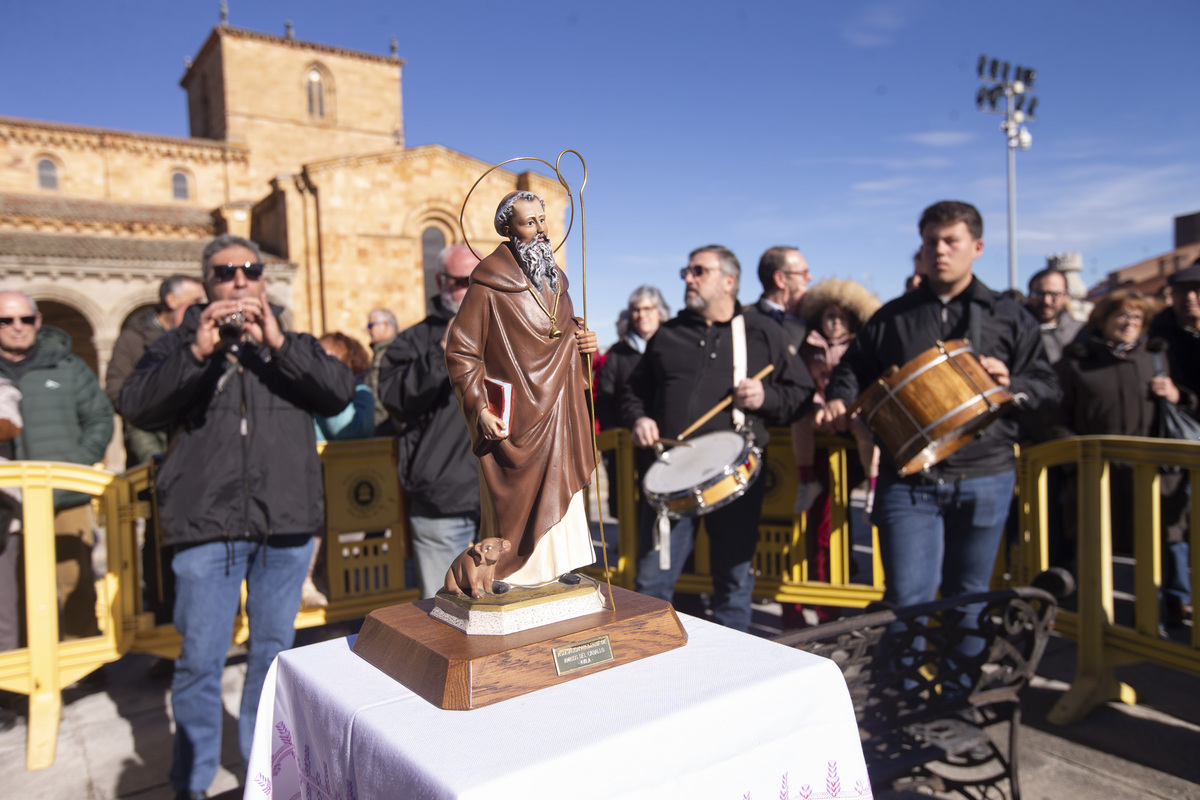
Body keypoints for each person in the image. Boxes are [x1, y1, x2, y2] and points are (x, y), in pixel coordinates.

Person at [120, 234, 354, 800]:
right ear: (207, 284)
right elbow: (134, 403)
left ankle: (262, 777)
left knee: (271, 658)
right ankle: (192, 782)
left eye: (251, 270)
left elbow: (339, 392)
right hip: (206, 527)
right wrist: (196, 353)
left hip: (286, 524)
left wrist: (276, 342)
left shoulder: (290, 342)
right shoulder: (176, 343)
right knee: (199, 663)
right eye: (226, 273)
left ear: (264, 280)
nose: (240, 280)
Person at [820, 201, 1059, 610]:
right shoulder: (891, 317)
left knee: (968, 598)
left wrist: (1012, 384)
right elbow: (852, 369)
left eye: (951, 241)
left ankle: (961, 677)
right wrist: (840, 397)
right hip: (908, 477)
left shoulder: (1010, 316)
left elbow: (1048, 387)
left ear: (977, 247)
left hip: (986, 475)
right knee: (906, 599)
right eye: (931, 242)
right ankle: (906, 677)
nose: (940, 250)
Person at [623, 244, 814, 631]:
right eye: (687, 272)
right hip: (670, 478)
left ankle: (731, 674)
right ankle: (650, 672)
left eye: (698, 271)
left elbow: (801, 393)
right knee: (652, 585)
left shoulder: (763, 332)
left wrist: (766, 397)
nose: (688, 279)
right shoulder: (669, 334)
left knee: (734, 582)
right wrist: (639, 419)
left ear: (729, 282)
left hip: (735, 478)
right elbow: (633, 392)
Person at [442, 192, 597, 595]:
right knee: (514, 497)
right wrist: (479, 407)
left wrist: (583, 345)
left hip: (560, 407)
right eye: (530, 222)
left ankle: (559, 564)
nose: (542, 229)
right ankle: (511, 571)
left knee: (563, 478)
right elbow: (462, 351)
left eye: (543, 220)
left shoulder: (557, 281)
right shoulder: (488, 284)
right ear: (508, 231)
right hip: (519, 414)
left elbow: (563, 332)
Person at [1056, 290, 1192, 626]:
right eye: (1121, 316)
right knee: (1094, 542)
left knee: (1160, 543)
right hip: (1096, 474)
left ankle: (1163, 612)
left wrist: (1176, 395)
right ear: (1101, 321)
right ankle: (1097, 617)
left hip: (1154, 474)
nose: (1129, 323)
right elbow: (1055, 418)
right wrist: (1077, 460)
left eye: (1136, 317)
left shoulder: (1157, 358)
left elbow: (1188, 409)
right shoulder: (1075, 362)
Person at [0, 291, 114, 640]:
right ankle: (16, 676)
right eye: (6, 320)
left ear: (38, 321)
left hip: (65, 496)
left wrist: (76, 464)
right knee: (11, 589)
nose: (17, 328)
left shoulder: (66, 366)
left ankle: (86, 665)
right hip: (6, 504)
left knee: (74, 581)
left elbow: (100, 417)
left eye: (25, 319)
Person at [379, 243, 483, 599]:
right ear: (440, 281)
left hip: (504, 501)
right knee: (445, 610)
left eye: (478, 279)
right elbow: (394, 400)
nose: (470, 289)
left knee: (508, 612)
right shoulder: (412, 340)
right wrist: (442, 353)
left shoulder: (505, 333)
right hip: (441, 501)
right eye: (459, 281)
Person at [792, 279, 882, 517]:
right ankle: (806, 481)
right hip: (818, 407)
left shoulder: (859, 345)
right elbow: (802, 379)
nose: (835, 323)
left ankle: (873, 488)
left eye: (842, 317)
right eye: (830, 316)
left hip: (852, 408)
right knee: (799, 424)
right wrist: (815, 405)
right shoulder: (808, 344)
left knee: (866, 432)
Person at [105, 275, 206, 467]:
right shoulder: (134, 339)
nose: (200, 307)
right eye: (195, 301)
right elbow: (116, 390)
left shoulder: (201, 337)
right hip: (147, 435)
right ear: (171, 300)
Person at [595, 285, 670, 518]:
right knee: (627, 502)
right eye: (635, 310)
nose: (641, 315)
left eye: (648, 308)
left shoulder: (673, 346)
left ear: (660, 312)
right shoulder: (618, 353)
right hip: (626, 439)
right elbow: (605, 398)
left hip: (665, 437)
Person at [1026, 267, 1083, 364]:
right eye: (1040, 294)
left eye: (1054, 294)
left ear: (1065, 296)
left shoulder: (1081, 332)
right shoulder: (1016, 334)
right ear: (1029, 296)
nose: (1046, 301)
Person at [365, 308, 398, 434]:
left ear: (385, 325)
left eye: (371, 325)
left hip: (386, 426)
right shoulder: (380, 352)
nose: (368, 331)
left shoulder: (393, 352)